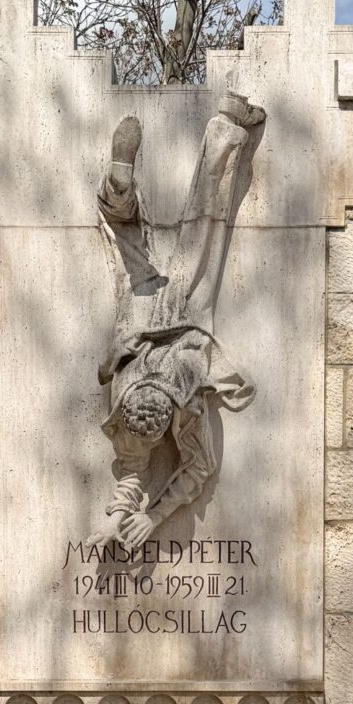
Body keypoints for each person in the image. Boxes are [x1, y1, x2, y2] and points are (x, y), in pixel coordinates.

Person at [86, 92, 265, 551]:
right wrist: (137, 517)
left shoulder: (180, 405)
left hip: (167, 316)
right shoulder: (149, 404)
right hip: (145, 317)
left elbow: (179, 469)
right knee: (132, 239)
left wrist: (145, 514)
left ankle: (223, 127)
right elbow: (180, 469)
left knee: (198, 230)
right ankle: (117, 190)